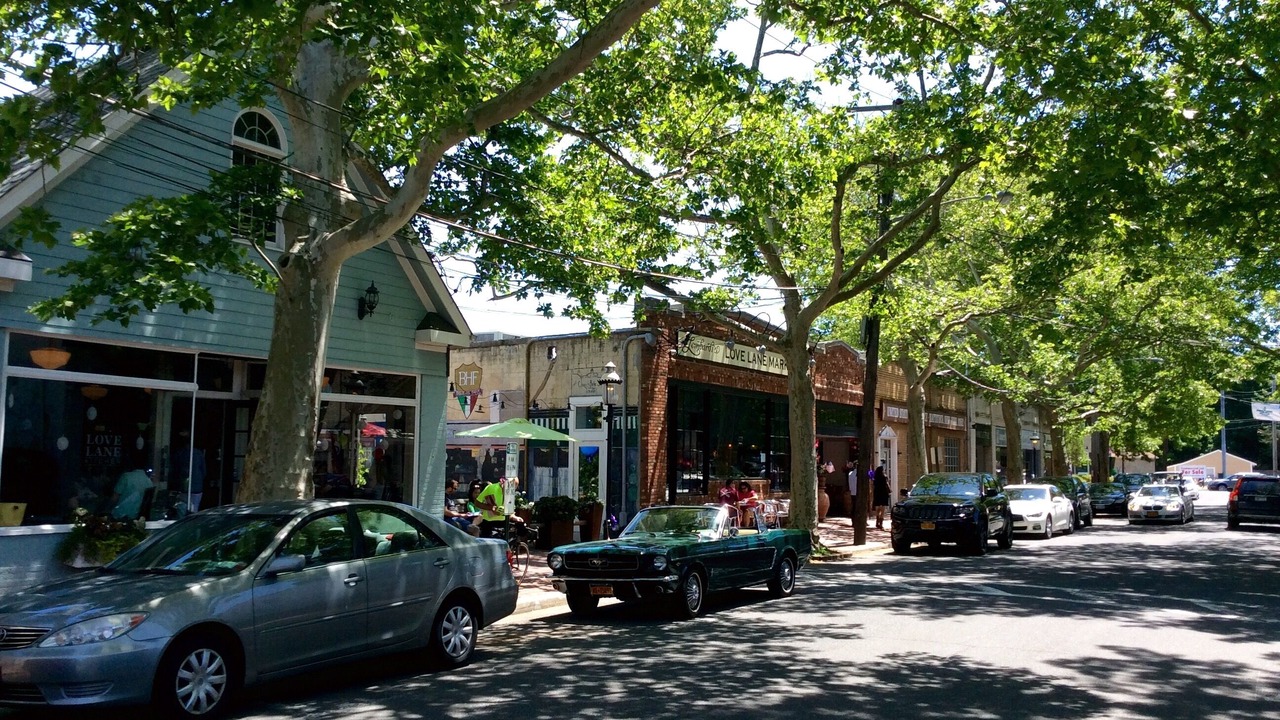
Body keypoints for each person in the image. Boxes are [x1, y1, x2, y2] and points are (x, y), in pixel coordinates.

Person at [110, 452, 154, 520]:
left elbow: (114, 498)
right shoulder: (149, 482)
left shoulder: (126, 477)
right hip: (138, 517)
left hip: (121, 515)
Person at [170, 431, 207, 512]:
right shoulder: (198, 453)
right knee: (194, 509)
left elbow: (175, 471)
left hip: (184, 487)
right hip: (196, 487)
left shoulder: (179, 454)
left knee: (182, 510)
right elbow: (204, 472)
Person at [873, 464, 891, 530]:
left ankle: (877, 521)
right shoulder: (884, 477)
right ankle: (881, 523)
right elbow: (886, 485)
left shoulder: (875, 478)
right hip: (883, 494)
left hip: (877, 493)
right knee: (882, 509)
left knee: (877, 509)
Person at [846, 460, 858, 528]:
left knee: (853, 507)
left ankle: (853, 521)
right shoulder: (858, 474)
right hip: (857, 493)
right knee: (857, 508)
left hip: (852, 492)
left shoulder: (850, 474)